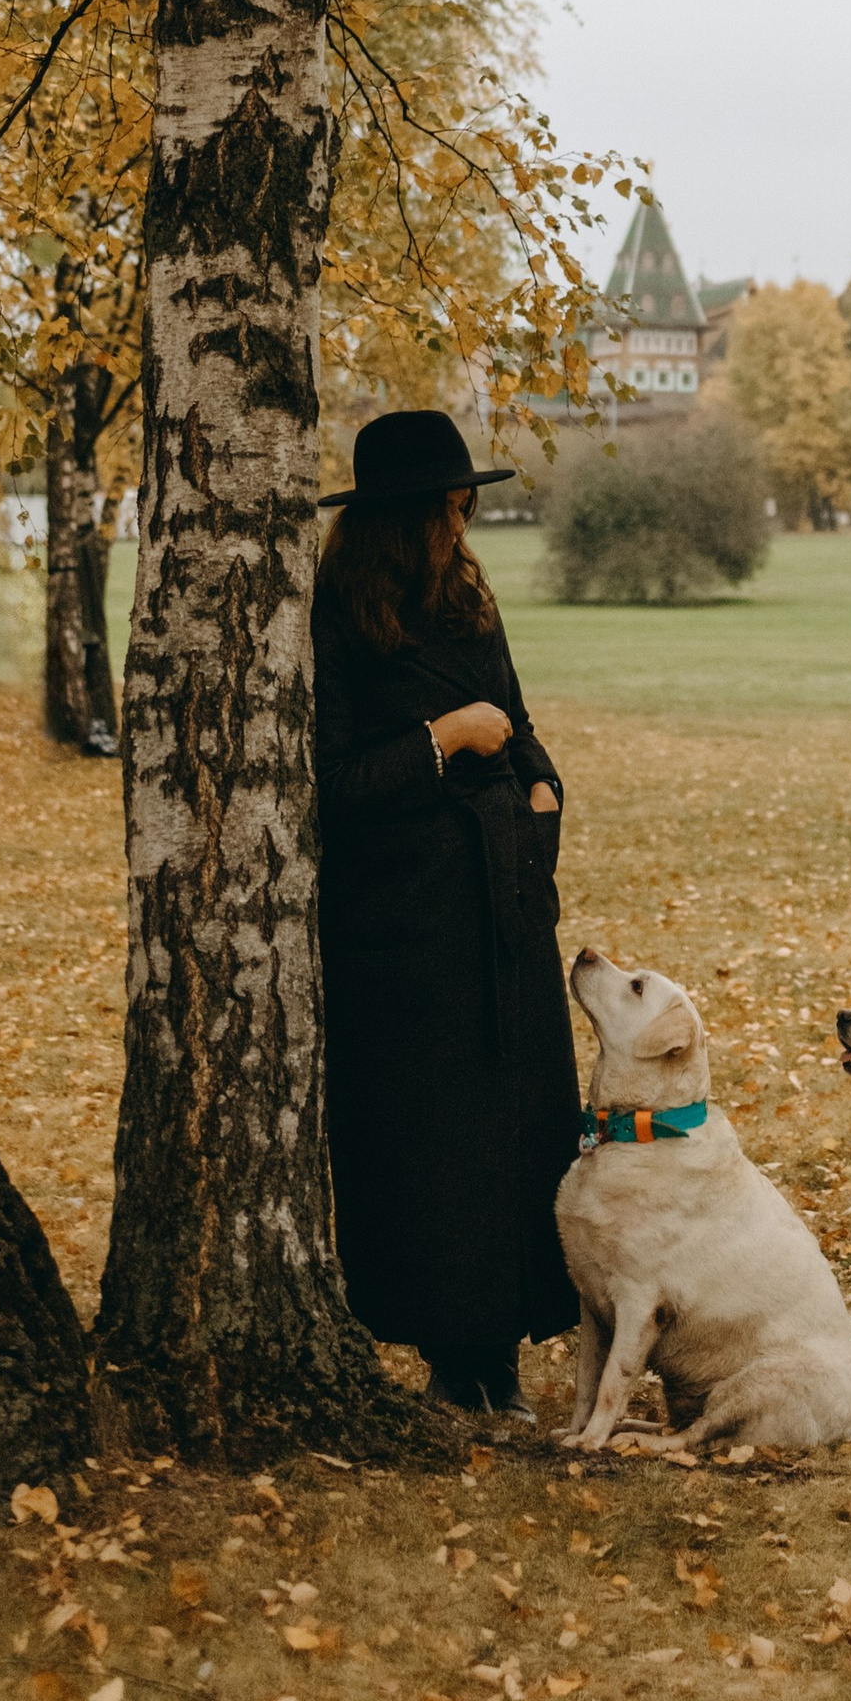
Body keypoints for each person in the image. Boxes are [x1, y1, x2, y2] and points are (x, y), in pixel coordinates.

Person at [313, 409, 578, 1421]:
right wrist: (443, 738)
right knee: (429, 1143)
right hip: (402, 924)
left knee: (520, 1129)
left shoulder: (470, 598)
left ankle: (502, 1355)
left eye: (467, 503)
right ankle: (445, 1349)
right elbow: (332, 782)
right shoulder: (338, 618)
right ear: (402, 517)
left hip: (501, 905)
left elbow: (521, 723)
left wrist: (542, 797)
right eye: (448, 506)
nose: (463, 521)